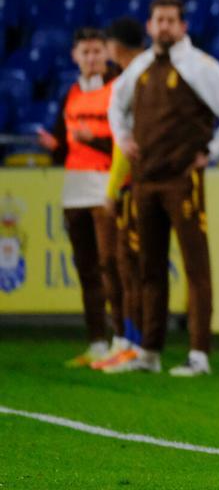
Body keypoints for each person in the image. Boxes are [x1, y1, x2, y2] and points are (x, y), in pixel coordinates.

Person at [106, 0, 219, 376]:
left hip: (182, 181)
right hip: (144, 181)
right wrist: (122, 136)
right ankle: (149, 351)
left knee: (195, 268)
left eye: (171, 20)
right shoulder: (140, 67)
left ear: (183, 27)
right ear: (149, 26)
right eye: (158, 20)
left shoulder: (199, 66)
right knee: (149, 268)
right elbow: (115, 105)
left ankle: (198, 354)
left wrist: (212, 150)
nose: (164, 27)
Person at [37, 28, 121, 368]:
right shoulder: (71, 94)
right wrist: (54, 146)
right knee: (87, 270)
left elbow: (123, 146)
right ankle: (97, 342)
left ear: (106, 55)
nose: (91, 58)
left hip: (104, 191)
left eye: (97, 52)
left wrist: (92, 140)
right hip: (74, 191)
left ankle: (123, 340)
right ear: (75, 57)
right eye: (85, 52)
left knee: (112, 267)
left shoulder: (117, 91)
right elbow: (63, 145)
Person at [91, 17, 149, 372]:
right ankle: (128, 339)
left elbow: (124, 145)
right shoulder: (133, 78)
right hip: (130, 184)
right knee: (127, 267)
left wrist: (112, 189)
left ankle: (136, 341)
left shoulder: (132, 80)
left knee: (134, 268)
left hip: (134, 185)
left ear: (115, 46)